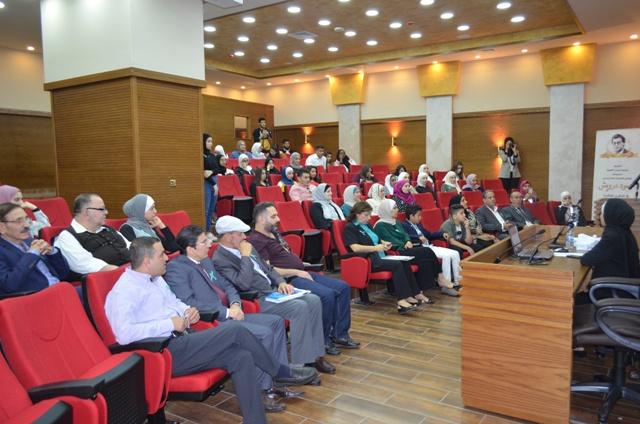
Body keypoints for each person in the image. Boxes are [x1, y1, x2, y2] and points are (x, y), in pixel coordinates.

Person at [105, 237, 282, 423]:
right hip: (164, 352)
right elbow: (124, 334)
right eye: (161, 255)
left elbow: (174, 302)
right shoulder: (124, 291)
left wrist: (187, 311)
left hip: (184, 340)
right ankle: (279, 371)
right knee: (235, 330)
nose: (166, 258)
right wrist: (169, 324)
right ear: (147, 262)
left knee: (240, 356)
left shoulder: (156, 279)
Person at [164, 225, 319, 394]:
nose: (209, 244)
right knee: (265, 333)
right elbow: (188, 303)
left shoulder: (206, 260)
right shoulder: (176, 268)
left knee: (276, 322)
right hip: (213, 320)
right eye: (204, 242)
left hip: (231, 312)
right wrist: (227, 312)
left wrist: (235, 304)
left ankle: (279, 377)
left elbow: (227, 285)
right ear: (190, 248)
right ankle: (264, 388)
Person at [212, 216, 335, 374]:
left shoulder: (247, 246)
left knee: (314, 300)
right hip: (257, 299)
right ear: (229, 236)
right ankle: (301, 363)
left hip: (273, 291)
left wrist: (281, 282)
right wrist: (245, 257)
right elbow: (243, 284)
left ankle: (316, 355)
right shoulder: (220, 259)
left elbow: (268, 269)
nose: (244, 237)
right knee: (299, 307)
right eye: (240, 234)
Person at [249, 202, 360, 354]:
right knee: (327, 295)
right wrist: (296, 270)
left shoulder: (274, 232)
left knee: (343, 287)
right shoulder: (256, 240)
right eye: (273, 216)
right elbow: (267, 270)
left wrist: (300, 264)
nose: (278, 219)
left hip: (300, 271)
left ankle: (340, 334)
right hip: (288, 279)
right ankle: (323, 341)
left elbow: (283, 256)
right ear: (261, 219)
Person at [342, 201, 421, 314]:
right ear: (357, 214)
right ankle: (401, 301)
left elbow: (377, 239)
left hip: (380, 256)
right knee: (397, 265)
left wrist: (384, 243)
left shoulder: (367, 225)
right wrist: (376, 248)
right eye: (366, 215)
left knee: (404, 261)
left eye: (370, 215)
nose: (369, 218)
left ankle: (410, 295)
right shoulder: (350, 228)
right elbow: (355, 248)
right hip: (369, 260)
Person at [373, 199, 458, 297]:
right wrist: (403, 244)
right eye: (394, 208)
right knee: (427, 251)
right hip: (398, 252)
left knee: (425, 261)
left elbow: (405, 235)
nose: (397, 210)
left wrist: (408, 241)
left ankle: (420, 290)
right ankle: (440, 278)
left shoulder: (396, 222)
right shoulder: (380, 225)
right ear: (387, 210)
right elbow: (389, 240)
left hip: (406, 248)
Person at [0, 203, 69, 294]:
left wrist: (52, 252)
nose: (27, 225)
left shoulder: (30, 241)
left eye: (26, 219)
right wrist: (31, 254)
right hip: (36, 297)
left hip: (59, 288)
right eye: (18, 221)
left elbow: (63, 273)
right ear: (2, 227)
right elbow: (9, 285)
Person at [55, 193, 130, 276]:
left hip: (129, 270)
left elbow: (130, 247)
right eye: (102, 209)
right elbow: (86, 264)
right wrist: (127, 273)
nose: (106, 212)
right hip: (109, 277)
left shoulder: (107, 229)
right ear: (87, 212)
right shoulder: (67, 237)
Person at [402, 204, 462, 286]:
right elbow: (406, 237)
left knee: (455, 253)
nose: (421, 218)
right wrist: (418, 237)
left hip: (430, 247)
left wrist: (441, 234)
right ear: (411, 216)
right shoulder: (404, 225)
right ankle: (446, 283)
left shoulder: (418, 225)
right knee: (446, 256)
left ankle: (458, 281)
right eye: (418, 215)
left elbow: (429, 234)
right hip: (422, 249)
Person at [581, 198, 639, 279]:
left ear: (610, 215)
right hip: (623, 280)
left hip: (612, 284)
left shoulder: (612, 237)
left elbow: (586, 260)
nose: (600, 216)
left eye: (602, 213)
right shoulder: (624, 231)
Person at [202, 133, 218, 231]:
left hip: (214, 180)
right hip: (207, 183)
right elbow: (204, 173)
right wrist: (214, 184)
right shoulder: (201, 155)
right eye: (208, 141)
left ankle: (208, 231)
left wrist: (211, 171)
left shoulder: (212, 155)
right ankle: (205, 232)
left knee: (211, 210)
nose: (211, 143)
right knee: (206, 210)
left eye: (211, 141)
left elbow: (217, 169)